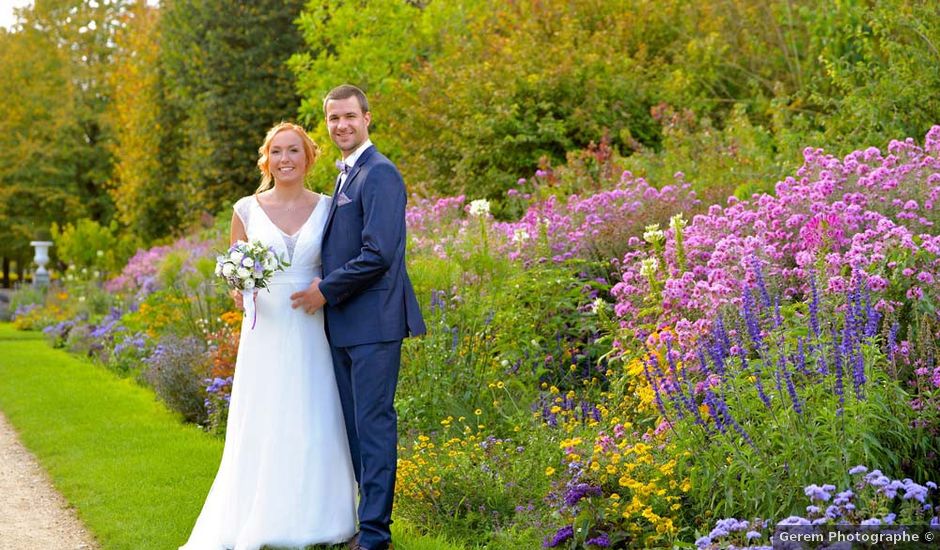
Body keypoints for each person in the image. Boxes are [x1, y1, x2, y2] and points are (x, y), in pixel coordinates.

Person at [180, 122, 357, 550]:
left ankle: (322, 516)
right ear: (267, 158)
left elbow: (339, 265)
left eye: (293, 150)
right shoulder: (246, 209)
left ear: (308, 156)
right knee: (265, 418)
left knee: (315, 416)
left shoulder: (330, 207)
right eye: (277, 151)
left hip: (313, 327)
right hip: (266, 331)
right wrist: (241, 286)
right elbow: (234, 270)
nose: (285, 159)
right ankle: (258, 513)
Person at [290, 85, 426, 550]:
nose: (341, 125)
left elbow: (379, 254)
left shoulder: (380, 174)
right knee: (353, 428)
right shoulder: (347, 175)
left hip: (374, 324)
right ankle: (361, 526)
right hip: (346, 326)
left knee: (372, 427)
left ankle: (374, 537)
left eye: (349, 116)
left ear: (367, 118)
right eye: (333, 119)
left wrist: (324, 291)